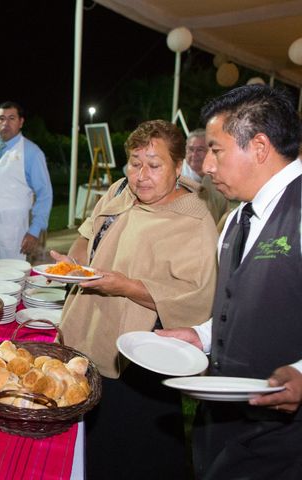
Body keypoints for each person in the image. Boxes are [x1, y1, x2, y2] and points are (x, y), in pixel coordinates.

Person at [51, 119, 219, 479]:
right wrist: (74, 264)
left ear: (178, 166)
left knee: (138, 451)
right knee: (93, 439)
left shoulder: (194, 220)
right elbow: (87, 234)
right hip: (91, 332)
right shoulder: (118, 191)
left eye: (154, 165)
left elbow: (195, 296)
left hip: (142, 358)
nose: (141, 175)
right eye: (134, 162)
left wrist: (125, 286)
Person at [157, 85, 302, 479]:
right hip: (220, 425)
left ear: (258, 146)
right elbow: (237, 305)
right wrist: (200, 336)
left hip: (283, 442)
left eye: (216, 151)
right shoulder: (236, 219)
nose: (205, 166)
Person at [0, 101, 53, 261]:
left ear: (21, 122)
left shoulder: (31, 153)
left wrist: (34, 231)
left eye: (11, 118)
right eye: (1, 118)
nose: (5, 123)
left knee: (8, 281)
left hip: (11, 232)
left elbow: (45, 194)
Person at [181, 128, 229, 224]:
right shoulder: (174, 177)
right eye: (190, 149)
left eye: (200, 150)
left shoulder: (218, 181)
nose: (194, 154)